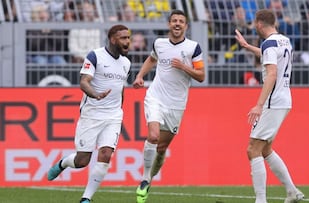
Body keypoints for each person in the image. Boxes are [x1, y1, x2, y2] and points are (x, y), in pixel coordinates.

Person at [47, 24, 131, 203]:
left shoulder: (126, 63)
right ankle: (63, 163)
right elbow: (84, 82)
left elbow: (121, 88)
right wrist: (96, 95)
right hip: (92, 114)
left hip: (114, 115)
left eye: (129, 38)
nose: (128, 42)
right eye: (124, 38)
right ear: (113, 39)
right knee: (82, 161)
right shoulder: (95, 56)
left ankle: (86, 198)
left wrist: (119, 109)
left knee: (106, 154)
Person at [132, 9, 205, 203]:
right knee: (153, 136)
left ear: (186, 26)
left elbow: (201, 76)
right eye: (174, 21)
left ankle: (149, 177)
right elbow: (152, 59)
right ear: (169, 24)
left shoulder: (193, 48)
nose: (177, 24)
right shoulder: (159, 43)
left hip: (176, 104)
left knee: (162, 148)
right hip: (155, 96)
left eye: (181, 21)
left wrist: (184, 67)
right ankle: (145, 179)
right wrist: (140, 76)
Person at [235, 9, 304, 203]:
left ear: (258, 24)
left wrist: (258, 105)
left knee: (252, 149)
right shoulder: (284, 40)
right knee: (265, 149)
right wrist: (248, 46)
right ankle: (292, 191)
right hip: (284, 99)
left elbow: (271, 74)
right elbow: (271, 55)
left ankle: (261, 200)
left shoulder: (268, 43)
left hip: (273, 102)